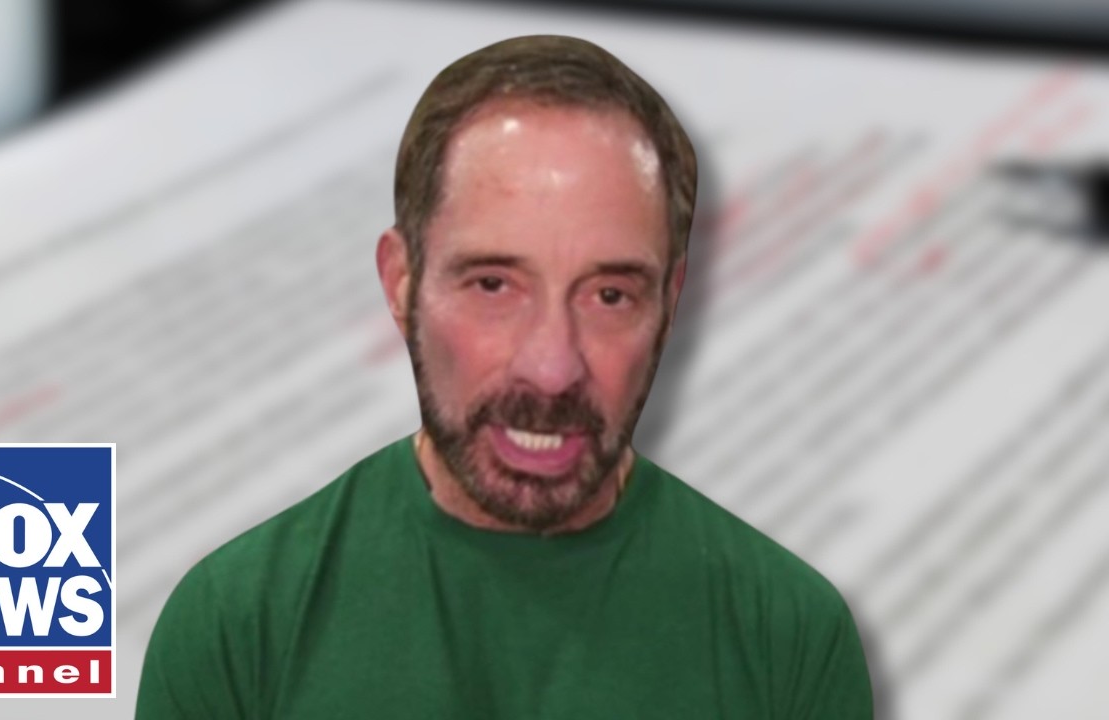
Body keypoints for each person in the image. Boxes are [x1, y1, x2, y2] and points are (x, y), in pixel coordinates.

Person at [136, 35, 873, 719]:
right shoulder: (237, 626)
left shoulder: (790, 639)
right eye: (493, 285)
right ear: (401, 283)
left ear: (670, 302)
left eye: (609, 295)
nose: (551, 369)